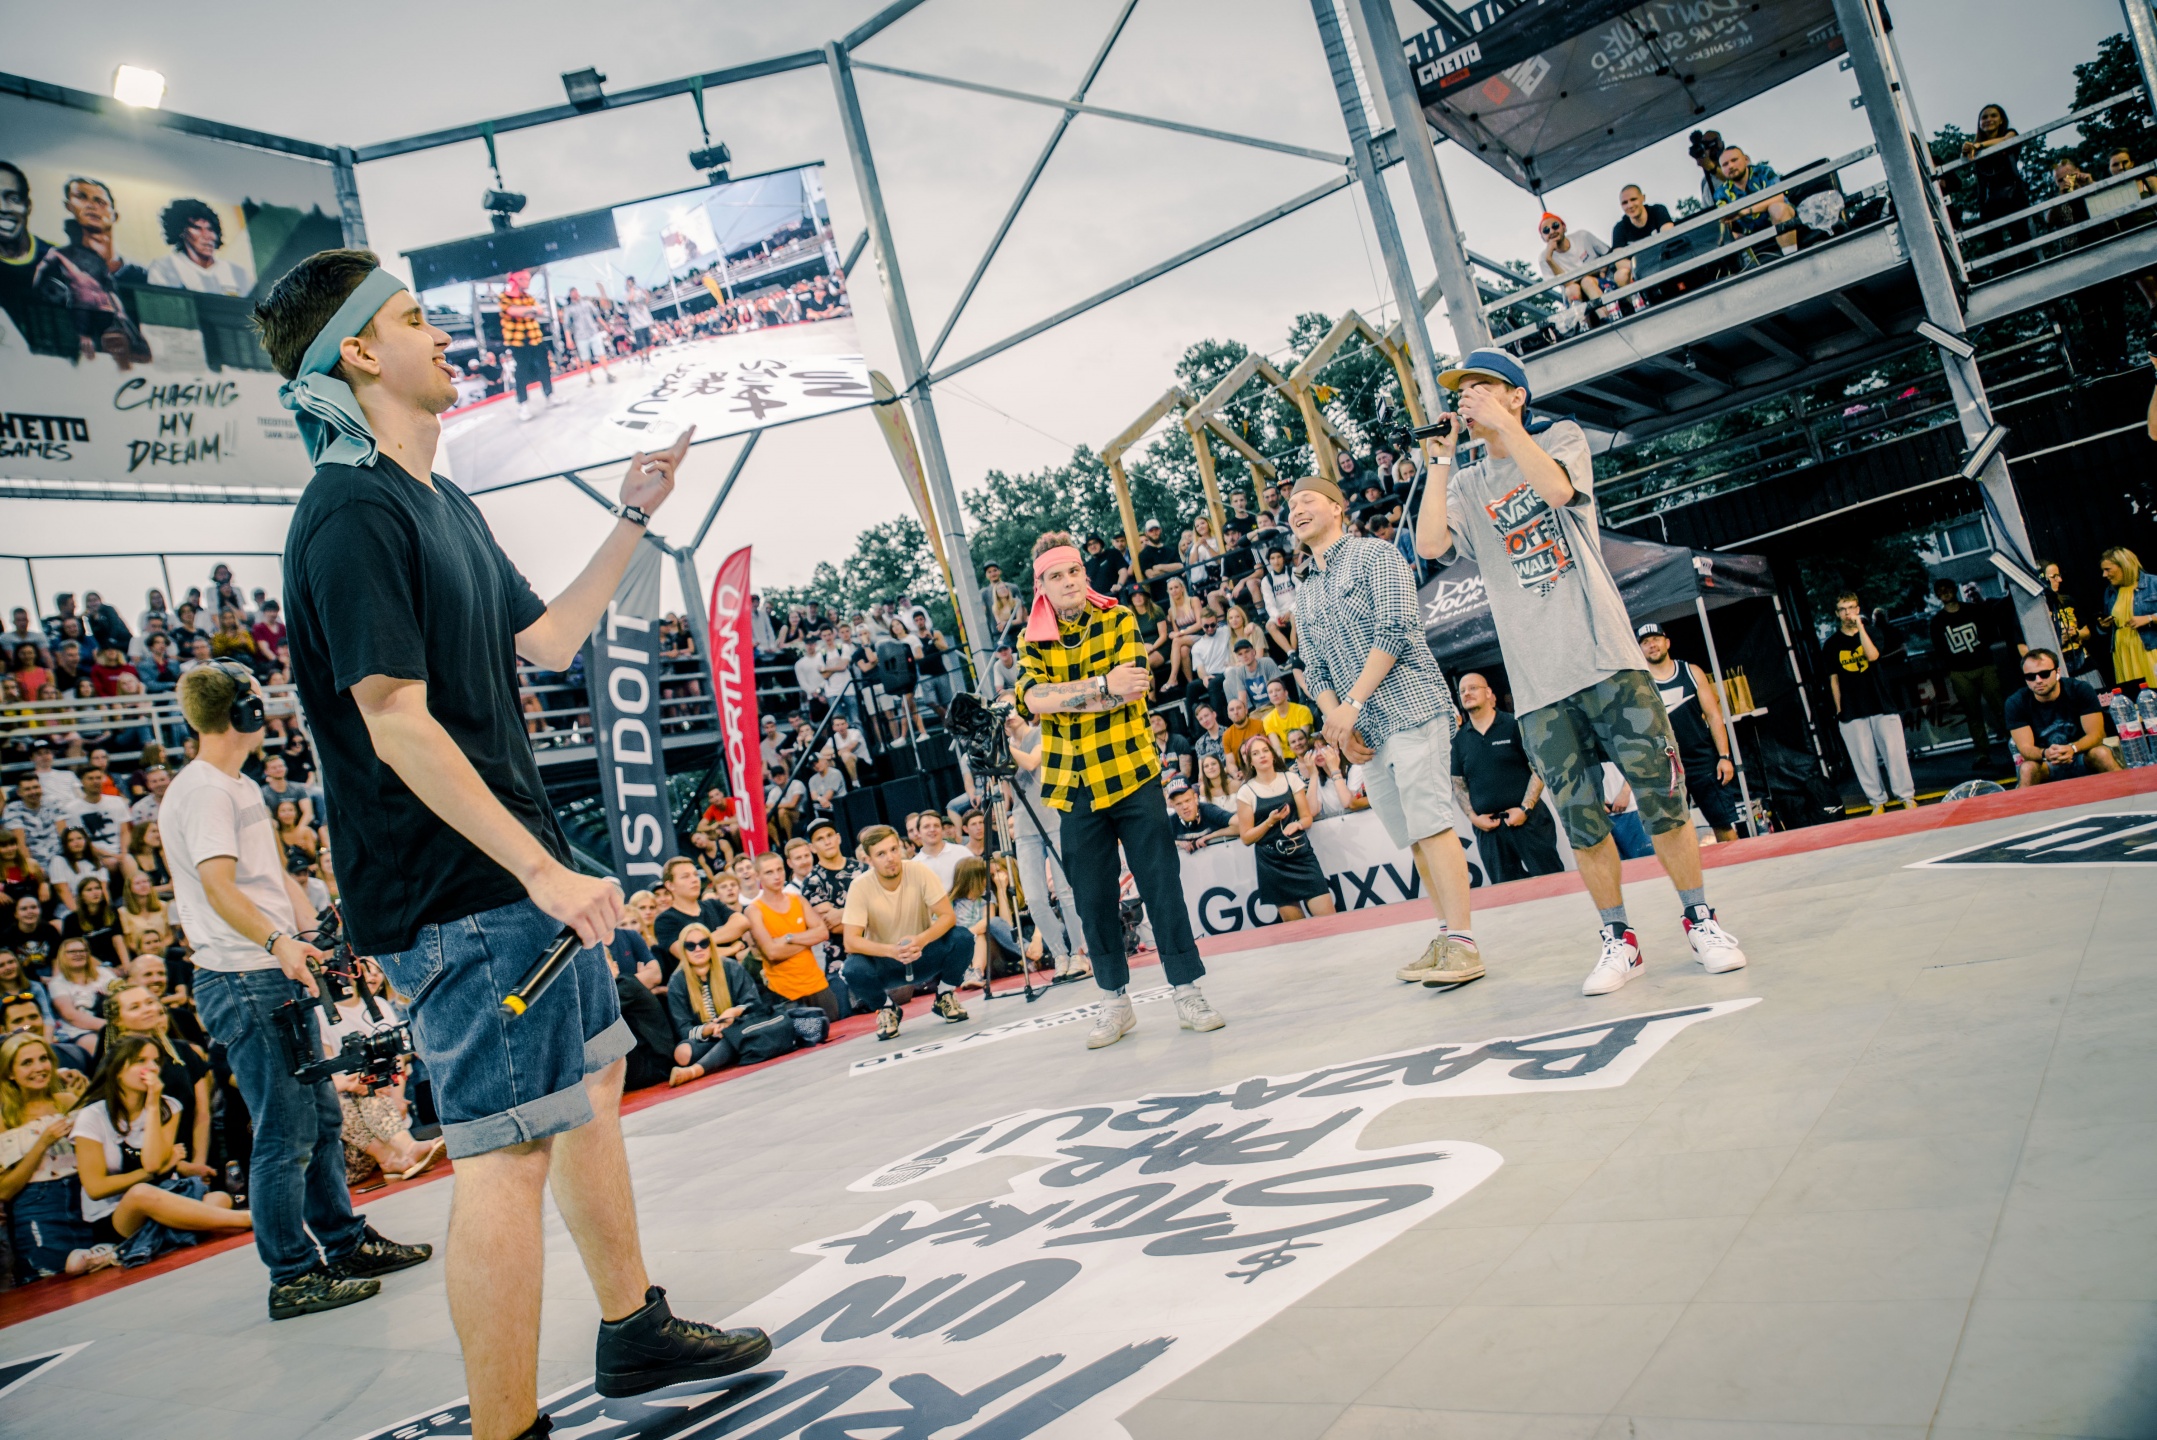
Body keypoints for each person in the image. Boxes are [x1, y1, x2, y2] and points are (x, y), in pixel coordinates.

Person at [259, 249, 765, 1436]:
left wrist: (635, 516)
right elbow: (394, 718)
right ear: (359, 353)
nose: (442, 334)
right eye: (412, 318)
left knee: (590, 1084)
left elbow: (546, 639)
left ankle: (633, 1326)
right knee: (505, 1152)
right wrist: (539, 867)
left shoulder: (442, 502)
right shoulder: (349, 512)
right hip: (459, 893)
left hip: (519, 879)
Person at [1415, 349, 1746, 995]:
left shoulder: (1559, 437)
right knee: (1581, 821)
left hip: (1607, 661)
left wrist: (1504, 428)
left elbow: (1558, 492)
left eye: (1479, 387)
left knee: (1662, 800)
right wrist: (1438, 462)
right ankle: (1618, 938)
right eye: (1461, 391)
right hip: (1539, 684)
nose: (1466, 398)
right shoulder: (1465, 483)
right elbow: (1430, 545)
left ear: (1515, 395)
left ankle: (1699, 918)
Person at [160, 663, 430, 1316]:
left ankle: (343, 1243)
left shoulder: (238, 785)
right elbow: (219, 886)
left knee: (320, 1119)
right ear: (245, 711)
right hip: (243, 977)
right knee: (285, 1132)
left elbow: (270, 877)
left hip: (271, 972)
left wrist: (318, 938)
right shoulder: (205, 792)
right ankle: (291, 1275)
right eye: (258, 697)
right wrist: (277, 941)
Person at [1016, 533, 1225, 1048]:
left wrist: (1072, 696)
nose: (1069, 581)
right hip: (1074, 782)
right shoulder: (1030, 640)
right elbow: (1032, 700)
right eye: (1056, 575)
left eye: (1074, 571)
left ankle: (1187, 990)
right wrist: (1100, 686)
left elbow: (1130, 689)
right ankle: (1114, 1001)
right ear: (1041, 586)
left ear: (1084, 575)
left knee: (1160, 884)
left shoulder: (1118, 618)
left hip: (1131, 771)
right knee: (1092, 899)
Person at [1287, 467, 1482, 982]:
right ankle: (1446, 936)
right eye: (1291, 506)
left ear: (1337, 508)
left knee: (1432, 827)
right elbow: (1313, 667)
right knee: (1415, 839)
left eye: (1308, 500)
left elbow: (1395, 628)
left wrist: (1351, 703)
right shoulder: (1304, 589)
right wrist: (1338, 724)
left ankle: (1465, 944)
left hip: (1411, 708)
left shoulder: (1376, 554)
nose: (1297, 510)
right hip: (1364, 732)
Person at [72, 1034, 254, 1266]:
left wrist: (152, 1105)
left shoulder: (167, 1106)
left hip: (169, 1195)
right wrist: (152, 1173)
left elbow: (153, 1163)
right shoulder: (92, 1116)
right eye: (140, 1061)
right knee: (141, 1193)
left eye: (155, 1061)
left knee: (219, 1198)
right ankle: (247, 1219)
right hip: (118, 1214)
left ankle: (140, 1244)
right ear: (117, 1070)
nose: (151, 1068)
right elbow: (97, 1188)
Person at [840, 826, 972, 1041]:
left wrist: (921, 939)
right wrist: (891, 950)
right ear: (869, 860)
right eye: (881, 854)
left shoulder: (919, 871)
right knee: (852, 969)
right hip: (887, 962)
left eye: (893, 849)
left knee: (963, 937)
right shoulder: (860, 886)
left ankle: (945, 995)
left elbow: (948, 916)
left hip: (923, 953)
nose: (890, 858)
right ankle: (886, 1008)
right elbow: (851, 942)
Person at [0, 1030, 109, 1279]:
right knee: (52, 1286)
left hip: (85, 1200)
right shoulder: (4, 1119)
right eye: (27, 1063)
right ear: (9, 1073)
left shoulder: (67, 1101)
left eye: (43, 1058)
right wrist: (42, 1143)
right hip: (39, 1210)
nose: (39, 1067)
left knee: (103, 1280)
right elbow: (4, 1190)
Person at [1450, 672, 1565, 883]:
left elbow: (1538, 767)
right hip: (1489, 831)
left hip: (1529, 822)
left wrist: (1525, 809)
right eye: (1462, 691)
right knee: (1507, 894)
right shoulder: (1459, 740)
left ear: (1488, 693)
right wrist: (1474, 818)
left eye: (1473, 688)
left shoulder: (1514, 725)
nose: (1467, 693)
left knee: (1553, 883)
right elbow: (1459, 784)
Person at [1636, 623, 1742, 844]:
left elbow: (1714, 716)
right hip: (1668, 768)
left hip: (1703, 761)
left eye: (1655, 639)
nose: (1652, 645)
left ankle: (1739, 862)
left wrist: (1724, 757)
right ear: (1640, 650)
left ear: (1667, 642)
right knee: (1675, 832)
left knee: (1723, 823)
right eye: (1645, 642)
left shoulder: (1691, 672)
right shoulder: (1640, 683)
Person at [1821, 592, 1915, 813]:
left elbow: (1872, 656)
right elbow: (1833, 679)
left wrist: (1860, 628)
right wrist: (1839, 709)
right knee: (1863, 759)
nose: (1847, 613)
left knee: (1894, 754)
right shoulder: (1831, 644)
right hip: (1852, 708)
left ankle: (1906, 797)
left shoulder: (1872, 632)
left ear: (1858, 609)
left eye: (1851, 608)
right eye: (1843, 609)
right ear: (1837, 613)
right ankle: (1877, 801)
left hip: (1881, 703)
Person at [1233, 736, 1335, 922]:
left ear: (1273, 755)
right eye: (1255, 753)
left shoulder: (1291, 779)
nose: (1262, 756)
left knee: (1330, 920)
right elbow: (1246, 837)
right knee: (1298, 931)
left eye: (1265, 751)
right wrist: (1269, 822)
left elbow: (1306, 817)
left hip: (1301, 855)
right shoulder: (1245, 792)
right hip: (1272, 863)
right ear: (1250, 762)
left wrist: (1298, 824)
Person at [663, 922, 765, 1086]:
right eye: (691, 946)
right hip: (706, 1039)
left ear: (711, 945)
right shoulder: (677, 981)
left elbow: (754, 1004)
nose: (698, 949)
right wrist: (709, 1029)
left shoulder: (730, 967)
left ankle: (695, 1070)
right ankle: (725, 1054)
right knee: (682, 1053)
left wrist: (733, 1014)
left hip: (739, 1028)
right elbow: (683, 1029)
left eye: (703, 943)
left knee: (734, 1035)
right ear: (684, 950)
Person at [743, 850, 840, 1023]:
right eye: (769, 872)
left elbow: (823, 933)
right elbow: (772, 952)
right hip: (785, 993)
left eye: (779, 870)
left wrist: (789, 938)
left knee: (839, 1031)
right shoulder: (754, 910)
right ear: (758, 876)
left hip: (817, 984)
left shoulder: (798, 900)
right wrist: (808, 939)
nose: (777, 876)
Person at [2007, 649, 2119, 786]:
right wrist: (2046, 753)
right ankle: (2024, 801)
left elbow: (2097, 734)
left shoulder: (2079, 689)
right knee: (2027, 768)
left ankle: (2127, 792)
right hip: (2046, 762)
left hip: (2082, 754)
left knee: (2101, 753)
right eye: (2031, 677)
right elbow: (2025, 748)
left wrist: (2073, 748)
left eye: (2044, 674)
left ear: (2057, 672)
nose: (2038, 680)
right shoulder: (2016, 702)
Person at [1929, 580, 2007, 771]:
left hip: (1984, 665)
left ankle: (2017, 743)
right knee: (1973, 713)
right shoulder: (1938, 621)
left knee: (2000, 707)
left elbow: (1990, 632)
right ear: (1937, 595)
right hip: (1960, 671)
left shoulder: (1974, 611)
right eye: (1941, 591)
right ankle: (1982, 753)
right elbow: (1939, 649)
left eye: (1947, 589)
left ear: (1954, 590)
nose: (1945, 593)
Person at [145, 198, 253, 296]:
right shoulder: (164, 268)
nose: (207, 236)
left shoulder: (238, 273)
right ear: (181, 232)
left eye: (210, 229)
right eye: (198, 228)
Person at [1713, 144, 1798, 257]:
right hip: (1752, 237)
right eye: (1725, 164)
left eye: (1734, 160)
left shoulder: (1763, 172)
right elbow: (1724, 222)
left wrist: (1746, 211)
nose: (1731, 166)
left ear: (1746, 159)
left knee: (1777, 208)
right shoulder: (1721, 193)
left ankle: (1792, 257)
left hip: (1785, 222)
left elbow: (1779, 197)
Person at [1536, 212, 1617, 326]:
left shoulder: (1582, 236)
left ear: (1564, 227)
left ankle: (1606, 318)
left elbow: (1608, 254)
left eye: (1555, 226)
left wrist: (1602, 272)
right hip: (1574, 295)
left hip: (1602, 284)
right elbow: (1567, 284)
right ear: (1543, 238)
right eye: (1546, 230)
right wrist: (1549, 259)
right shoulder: (1544, 258)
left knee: (1587, 282)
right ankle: (1584, 326)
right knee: (1573, 289)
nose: (1552, 231)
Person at [2098, 547, 2156, 692]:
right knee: (2134, 694)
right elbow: (2107, 626)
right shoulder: (2110, 592)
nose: (2104, 575)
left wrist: (2149, 618)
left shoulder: (2153, 583)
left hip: (2149, 648)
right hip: (2123, 652)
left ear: (2124, 565)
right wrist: (2104, 626)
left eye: (2108, 569)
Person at [2034, 559, 2099, 687]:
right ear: (2042, 579)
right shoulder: (2035, 613)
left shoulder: (2067, 601)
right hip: (2058, 671)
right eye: (2054, 577)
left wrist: (2076, 634)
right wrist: (2059, 641)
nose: (2059, 580)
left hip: (2083, 663)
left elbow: (2087, 632)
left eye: (2059, 575)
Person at [1167, 777, 1236, 850]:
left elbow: (1240, 825)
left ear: (1195, 798)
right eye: (1178, 804)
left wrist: (1210, 836)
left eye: (1187, 800)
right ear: (1172, 805)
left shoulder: (1209, 811)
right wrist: (1177, 843)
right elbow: (1158, 843)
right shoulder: (1170, 822)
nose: (1184, 807)